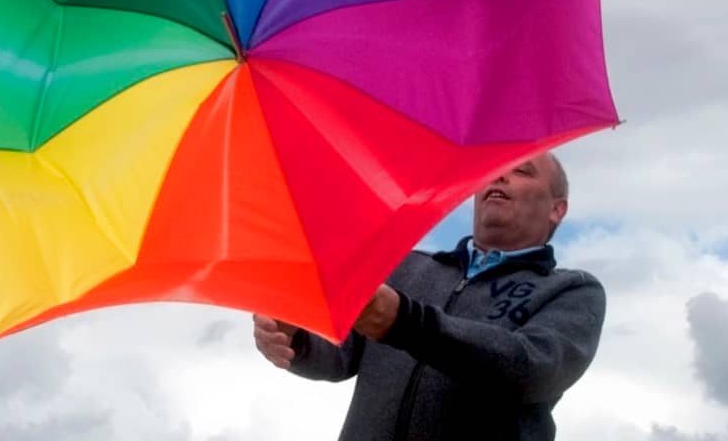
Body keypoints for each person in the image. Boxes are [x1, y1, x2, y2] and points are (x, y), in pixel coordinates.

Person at [252, 151, 606, 440]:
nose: (499, 176)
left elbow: (533, 370)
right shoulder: (404, 268)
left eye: (522, 171)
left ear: (557, 209)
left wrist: (405, 321)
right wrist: (297, 337)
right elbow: (340, 356)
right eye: (495, 169)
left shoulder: (572, 290)